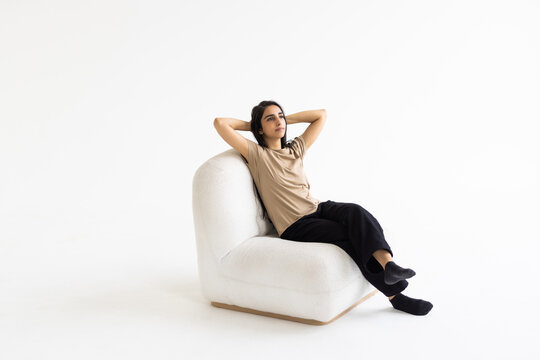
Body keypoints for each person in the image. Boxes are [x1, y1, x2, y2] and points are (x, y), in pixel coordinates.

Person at [214, 100, 433, 316]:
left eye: (280, 116)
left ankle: (390, 266)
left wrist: (283, 120)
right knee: (350, 237)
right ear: (259, 128)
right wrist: (253, 124)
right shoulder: (257, 154)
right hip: (295, 225)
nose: (278, 121)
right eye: (270, 119)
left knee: (357, 212)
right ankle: (396, 297)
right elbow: (220, 123)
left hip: (316, 208)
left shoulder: (295, 149)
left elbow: (321, 115)